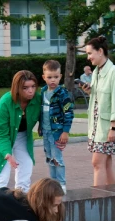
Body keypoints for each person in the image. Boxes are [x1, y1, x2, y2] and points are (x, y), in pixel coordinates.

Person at [81, 35, 115, 186]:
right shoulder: (97, 71)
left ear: (100, 51)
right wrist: (90, 91)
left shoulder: (114, 73)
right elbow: (100, 97)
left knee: (97, 163)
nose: (88, 57)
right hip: (98, 128)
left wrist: (113, 128)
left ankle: (98, 200)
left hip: (107, 129)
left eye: (90, 53)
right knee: (106, 165)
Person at [0, 70, 41, 192]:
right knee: (2, 175)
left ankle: (21, 202)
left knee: (26, 167)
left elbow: (45, 115)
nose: (30, 91)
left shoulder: (38, 99)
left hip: (22, 135)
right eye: (25, 88)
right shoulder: (5, 101)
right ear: (17, 88)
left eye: (33, 86)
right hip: (2, 137)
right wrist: (7, 154)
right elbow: (1, 133)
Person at [39, 60, 74, 194]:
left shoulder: (63, 94)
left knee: (57, 158)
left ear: (60, 76)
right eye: (49, 77)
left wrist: (65, 132)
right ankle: (53, 185)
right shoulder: (43, 92)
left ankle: (61, 184)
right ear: (44, 77)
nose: (53, 80)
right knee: (49, 158)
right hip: (46, 132)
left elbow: (69, 113)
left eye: (56, 77)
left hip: (57, 133)